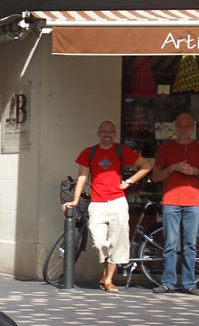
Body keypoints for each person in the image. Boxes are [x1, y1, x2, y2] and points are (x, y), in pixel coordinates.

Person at [62, 121, 152, 293]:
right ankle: (106, 272)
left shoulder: (121, 150)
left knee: (117, 242)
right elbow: (82, 177)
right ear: (98, 134)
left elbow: (146, 165)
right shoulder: (89, 152)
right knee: (99, 242)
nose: (107, 134)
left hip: (118, 202)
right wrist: (75, 200)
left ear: (115, 133)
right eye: (104, 131)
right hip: (97, 203)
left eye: (110, 131)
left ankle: (109, 279)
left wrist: (128, 182)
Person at [151, 112, 199, 295]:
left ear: (192, 127)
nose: (184, 129)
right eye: (180, 126)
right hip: (171, 200)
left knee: (190, 244)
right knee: (170, 243)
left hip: (193, 201)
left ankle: (189, 283)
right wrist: (173, 168)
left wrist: (194, 172)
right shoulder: (165, 148)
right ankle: (168, 282)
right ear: (175, 127)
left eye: (187, 126)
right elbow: (155, 176)